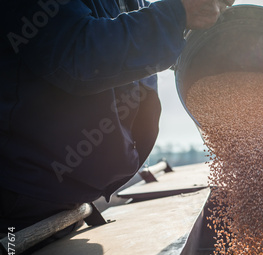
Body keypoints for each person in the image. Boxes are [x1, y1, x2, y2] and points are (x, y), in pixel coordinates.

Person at [0, 0, 234, 233]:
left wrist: (196, 31)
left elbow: (129, 43)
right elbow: (79, 52)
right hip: (20, 204)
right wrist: (178, 13)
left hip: (68, 202)